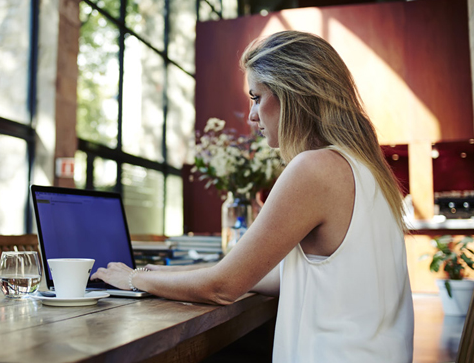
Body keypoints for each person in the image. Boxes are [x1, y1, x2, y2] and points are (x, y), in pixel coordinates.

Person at [91, 30, 414, 362]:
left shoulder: (315, 168)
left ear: (292, 94)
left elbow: (223, 287)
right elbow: (271, 276)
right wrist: (152, 274)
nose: (251, 116)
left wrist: (131, 279)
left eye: (256, 97)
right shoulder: (367, 169)